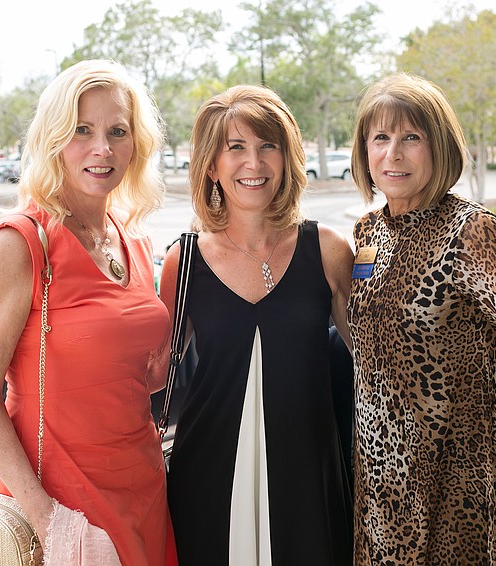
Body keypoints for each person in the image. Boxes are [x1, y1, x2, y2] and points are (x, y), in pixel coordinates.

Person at [347, 72, 496, 565]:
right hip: (384, 486)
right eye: (380, 138)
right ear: (364, 151)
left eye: (412, 137)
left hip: (462, 493)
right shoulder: (368, 232)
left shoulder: (472, 232)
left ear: (440, 146)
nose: (393, 154)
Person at [0, 59, 177, 565]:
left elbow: (131, 376)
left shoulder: (133, 239)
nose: (103, 148)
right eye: (82, 130)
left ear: (136, 144)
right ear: (53, 138)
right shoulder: (19, 243)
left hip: (144, 491)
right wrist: (48, 521)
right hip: (63, 508)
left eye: (117, 131)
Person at [160, 84, 355, 565]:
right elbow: (152, 373)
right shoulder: (183, 262)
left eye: (269, 145)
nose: (254, 162)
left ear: (287, 158)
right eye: (236, 147)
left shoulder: (328, 250)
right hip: (206, 475)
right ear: (211, 165)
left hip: (309, 477)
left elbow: (374, 364)